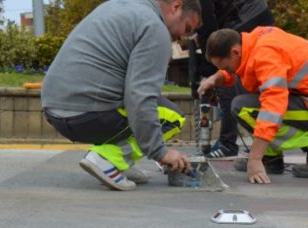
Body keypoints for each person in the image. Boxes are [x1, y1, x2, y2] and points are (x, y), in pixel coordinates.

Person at [41, 0, 202, 191]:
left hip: (54, 110)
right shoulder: (154, 28)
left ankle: (120, 165)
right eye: (188, 28)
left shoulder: (118, 5)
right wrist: (160, 152)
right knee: (172, 116)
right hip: (86, 114)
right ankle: (106, 160)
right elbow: (140, 97)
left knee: (141, 107)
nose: (183, 36)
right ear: (176, 6)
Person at [198, 27, 308, 183]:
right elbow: (249, 72)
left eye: (225, 68)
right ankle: (272, 158)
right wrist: (218, 77)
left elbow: (273, 107)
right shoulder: (255, 41)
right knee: (242, 92)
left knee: (243, 108)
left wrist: (255, 159)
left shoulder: (266, 55)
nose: (227, 71)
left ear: (235, 52)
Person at [191, 0, 274, 159]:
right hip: (246, 13)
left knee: (225, 65)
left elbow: (206, 25)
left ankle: (228, 143)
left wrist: (210, 72)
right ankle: (238, 142)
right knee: (230, 70)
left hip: (247, 14)